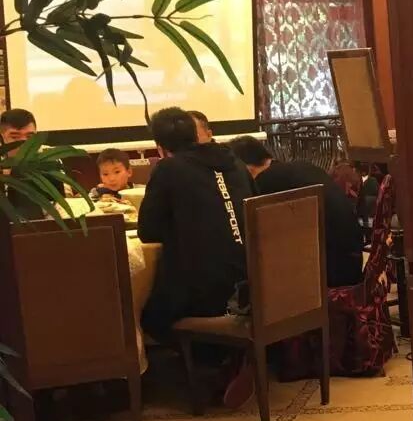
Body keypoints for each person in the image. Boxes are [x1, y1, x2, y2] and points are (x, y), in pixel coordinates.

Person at [138, 107, 252, 342]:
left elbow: (148, 232)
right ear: (195, 133)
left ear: (160, 147)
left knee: (147, 314)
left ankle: (200, 356)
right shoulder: (236, 163)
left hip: (208, 295)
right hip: (251, 286)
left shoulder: (168, 169)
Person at [229, 135, 363, 287]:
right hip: (353, 260)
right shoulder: (303, 167)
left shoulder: (264, 183)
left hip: (329, 275)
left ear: (246, 168)